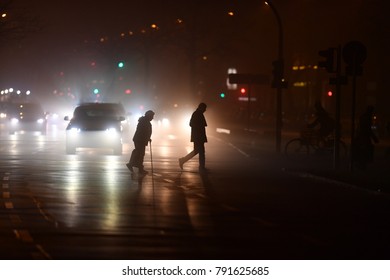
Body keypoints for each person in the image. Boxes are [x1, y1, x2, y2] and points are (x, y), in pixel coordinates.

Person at [179, 103, 208, 172]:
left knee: (198, 151)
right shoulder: (197, 114)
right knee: (200, 151)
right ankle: (201, 167)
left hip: (198, 136)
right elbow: (192, 124)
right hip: (198, 136)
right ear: (201, 108)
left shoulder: (197, 113)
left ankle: (183, 160)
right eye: (204, 108)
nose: (205, 110)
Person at [126, 110, 155, 175]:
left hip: (140, 139)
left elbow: (145, 132)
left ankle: (136, 166)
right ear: (149, 116)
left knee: (140, 153)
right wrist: (147, 138)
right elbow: (142, 132)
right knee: (140, 153)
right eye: (152, 116)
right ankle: (134, 165)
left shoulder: (144, 121)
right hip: (140, 140)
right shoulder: (144, 122)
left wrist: (148, 138)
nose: (152, 118)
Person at [353, 105, 379, 170]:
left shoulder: (364, 116)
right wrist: (374, 137)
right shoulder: (367, 118)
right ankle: (361, 164)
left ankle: (360, 164)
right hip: (364, 136)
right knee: (365, 150)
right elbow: (367, 129)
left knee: (362, 150)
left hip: (361, 136)